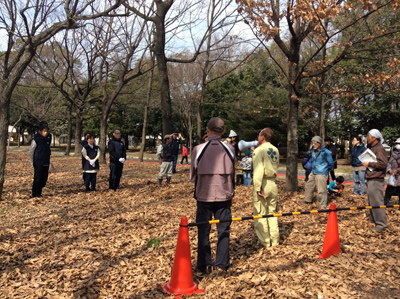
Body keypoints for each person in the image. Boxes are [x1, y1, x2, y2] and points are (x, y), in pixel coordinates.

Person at [190, 117, 235, 274]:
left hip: (203, 195)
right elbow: (233, 174)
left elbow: (192, 175)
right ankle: (222, 264)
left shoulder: (198, 149)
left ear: (207, 130)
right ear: (223, 132)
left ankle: (204, 265)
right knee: (224, 230)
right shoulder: (230, 149)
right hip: (224, 195)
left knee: (203, 230)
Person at [252, 128, 280, 247]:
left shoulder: (259, 150)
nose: (258, 137)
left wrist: (258, 187)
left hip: (262, 182)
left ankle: (265, 242)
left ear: (262, 137)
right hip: (273, 182)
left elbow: (258, 170)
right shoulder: (275, 149)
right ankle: (275, 241)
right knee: (272, 213)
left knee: (260, 213)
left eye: (259, 135)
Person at [362, 129, 388, 232]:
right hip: (371, 177)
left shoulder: (380, 148)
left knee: (377, 202)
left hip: (376, 179)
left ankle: (381, 225)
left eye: (368, 136)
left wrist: (369, 164)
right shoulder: (372, 148)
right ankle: (375, 221)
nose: (367, 138)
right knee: (371, 201)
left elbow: (383, 164)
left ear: (374, 138)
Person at [304, 136, 334, 209]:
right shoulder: (313, 150)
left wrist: (325, 169)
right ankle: (308, 200)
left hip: (321, 173)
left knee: (321, 190)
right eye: (312, 143)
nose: (313, 144)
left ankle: (322, 204)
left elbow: (331, 163)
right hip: (313, 171)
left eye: (314, 143)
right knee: (308, 186)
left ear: (319, 143)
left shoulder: (326, 152)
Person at [29, 123, 51, 198]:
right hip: (38, 162)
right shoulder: (36, 139)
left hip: (46, 161)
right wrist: (32, 161)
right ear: (40, 131)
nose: (46, 133)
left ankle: (39, 193)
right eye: (44, 131)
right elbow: (31, 151)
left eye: (47, 131)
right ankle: (34, 194)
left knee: (44, 179)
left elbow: (48, 150)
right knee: (37, 178)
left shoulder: (48, 138)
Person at [384, 138, 400, 210]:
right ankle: (384, 203)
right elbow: (389, 163)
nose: (397, 145)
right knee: (388, 191)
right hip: (393, 176)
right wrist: (389, 170)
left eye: (399, 144)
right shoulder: (394, 154)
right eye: (397, 144)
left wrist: (398, 171)